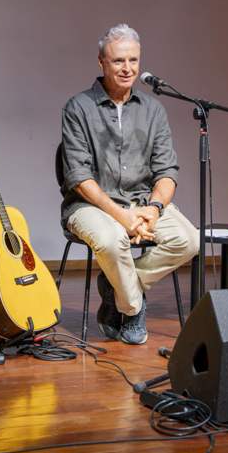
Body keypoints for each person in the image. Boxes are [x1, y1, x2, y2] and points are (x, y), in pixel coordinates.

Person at [60, 24, 199, 345]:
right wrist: (121, 216)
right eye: (118, 61)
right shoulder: (78, 108)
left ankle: (116, 288)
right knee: (111, 241)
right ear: (101, 62)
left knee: (189, 240)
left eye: (133, 60)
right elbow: (78, 177)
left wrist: (154, 209)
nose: (127, 68)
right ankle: (133, 307)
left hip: (142, 201)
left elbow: (167, 171)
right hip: (90, 205)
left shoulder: (153, 110)